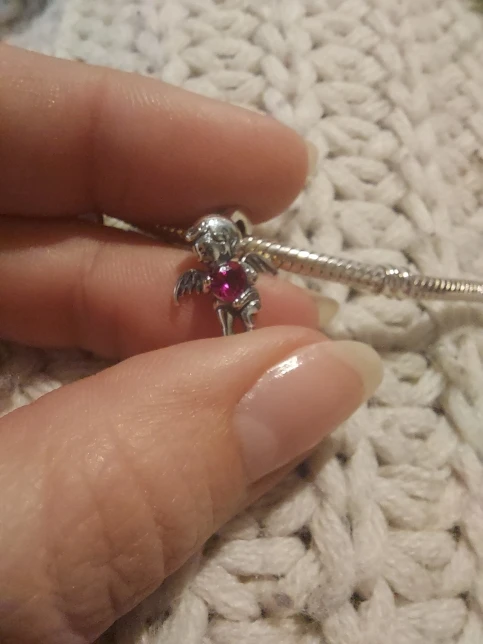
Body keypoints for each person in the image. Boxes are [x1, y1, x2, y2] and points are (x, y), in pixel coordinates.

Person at [0, 44, 383, 644]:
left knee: (241, 319)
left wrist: (237, 276)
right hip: (230, 301)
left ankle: (235, 352)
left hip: (241, 297)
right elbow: (202, 280)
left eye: (214, 244)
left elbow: (243, 271)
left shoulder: (235, 262)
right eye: (205, 246)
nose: (210, 251)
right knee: (234, 330)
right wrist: (191, 286)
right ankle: (232, 359)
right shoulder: (212, 267)